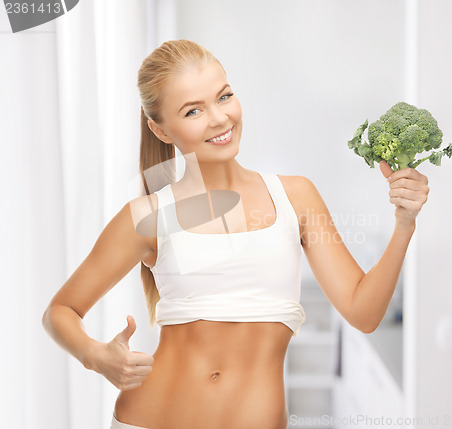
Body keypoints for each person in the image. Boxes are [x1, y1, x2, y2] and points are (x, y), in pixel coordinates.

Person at [42, 39, 430, 429]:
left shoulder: (295, 197)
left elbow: (363, 313)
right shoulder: (148, 216)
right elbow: (60, 311)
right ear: (160, 130)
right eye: (193, 110)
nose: (218, 118)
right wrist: (97, 357)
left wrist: (404, 224)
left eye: (223, 97)